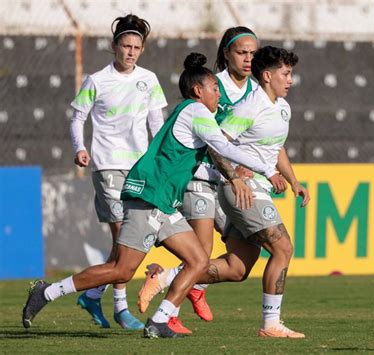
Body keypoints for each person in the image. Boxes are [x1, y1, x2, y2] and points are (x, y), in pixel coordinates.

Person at [22, 52, 286, 339]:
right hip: (149, 197)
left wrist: (235, 174)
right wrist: (268, 169)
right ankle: (47, 291)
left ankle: (159, 321)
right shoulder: (196, 111)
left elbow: (207, 158)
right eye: (215, 90)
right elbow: (225, 147)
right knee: (121, 270)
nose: (219, 97)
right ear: (199, 91)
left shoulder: (192, 113)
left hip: (165, 204)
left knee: (198, 261)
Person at [139, 46, 310, 338]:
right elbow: (218, 146)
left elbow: (275, 146)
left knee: (237, 268)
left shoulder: (282, 107)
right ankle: (271, 324)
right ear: (268, 76)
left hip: (260, 188)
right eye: (286, 73)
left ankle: (164, 276)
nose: (290, 80)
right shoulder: (249, 107)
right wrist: (235, 178)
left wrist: (293, 181)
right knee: (283, 249)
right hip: (245, 192)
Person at [137, 26, 261, 334]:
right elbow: (214, 143)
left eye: (253, 54)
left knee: (241, 261)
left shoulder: (257, 91)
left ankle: (177, 280)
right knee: (199, 253)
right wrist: (235, 174)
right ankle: (169, 314)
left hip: (232, 182)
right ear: (226, 54)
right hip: (204, 178)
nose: (248, 60)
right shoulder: (208, 86)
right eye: (242, 53)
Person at [69, 14, 167, 330]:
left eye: (136, 47)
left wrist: (162, 161)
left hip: (139, 168)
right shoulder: (97, 80)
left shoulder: (149, 79)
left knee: (129, 242)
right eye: (126, 46)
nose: (131, 52)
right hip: (107, 164)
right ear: (114, 46)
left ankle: (93, 293)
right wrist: (79, 148)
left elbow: (157, 125)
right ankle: (121, 309)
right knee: (124, 238)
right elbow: (76, 118)